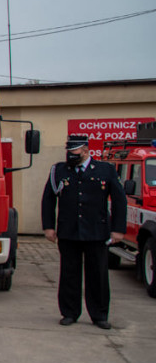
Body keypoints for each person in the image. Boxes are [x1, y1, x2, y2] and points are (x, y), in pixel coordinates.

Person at [42, 134, 127, 330]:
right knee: (69, 274)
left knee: (97, 275)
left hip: (96, 232)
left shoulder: (105, 170)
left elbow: (119, 201)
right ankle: (69, 312)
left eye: (74, 151)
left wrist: (118, 230)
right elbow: (48, 198)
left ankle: (99, 315)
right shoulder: (59, 170)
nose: (70, 155)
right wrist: (48, 226)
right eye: (69, 151)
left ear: (85, 151)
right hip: (69, 231)